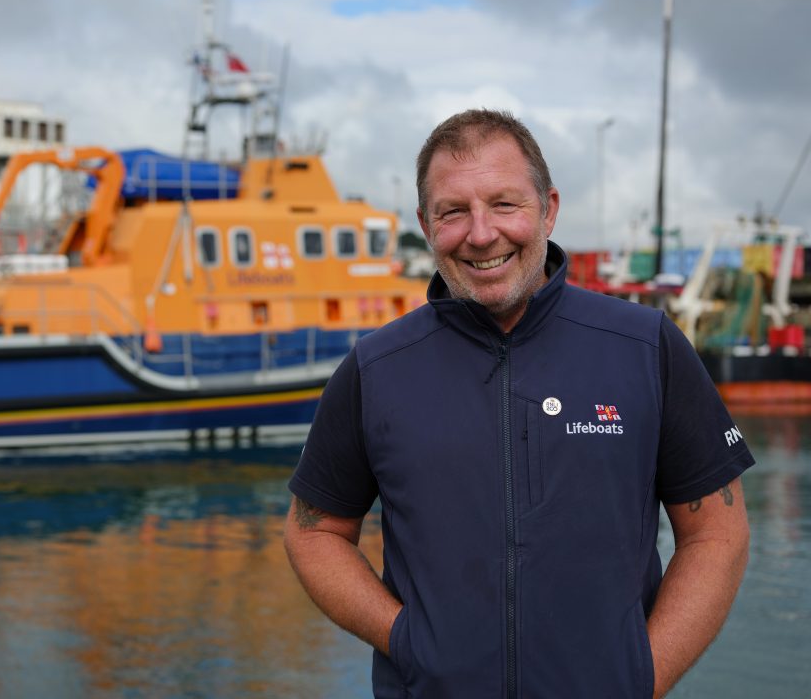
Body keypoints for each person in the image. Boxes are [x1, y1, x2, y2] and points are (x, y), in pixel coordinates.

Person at [284, 109, 754, 698]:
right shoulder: (376, 368)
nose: (481, 233)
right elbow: (313, 531)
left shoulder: (645, 347)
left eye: (505, 204)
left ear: (549, 208)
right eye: (453, 211)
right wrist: (405, 638)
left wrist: (639, 677)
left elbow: (717, 533)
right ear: (426, 225)